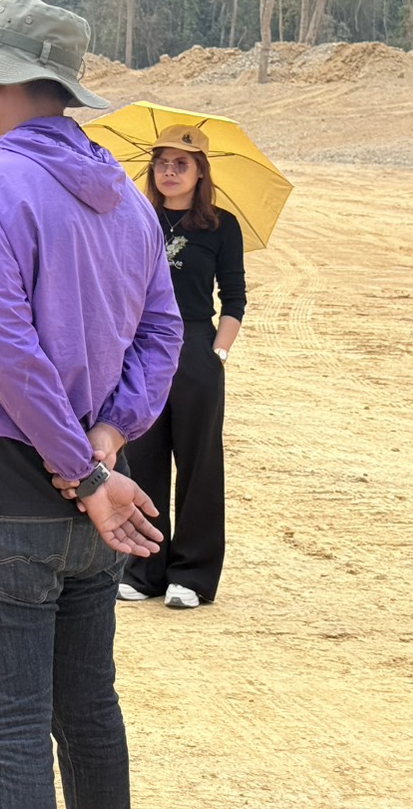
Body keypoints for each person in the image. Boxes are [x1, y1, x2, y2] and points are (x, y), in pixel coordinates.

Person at [0, 0, 183, 809]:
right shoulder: (126, 198)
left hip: (5, 482)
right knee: (88, 712)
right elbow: (163, 330)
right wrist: (106, 437)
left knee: (8, 731)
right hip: (95, 488)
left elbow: (5, 349)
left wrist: (82, 469)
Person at [117, 125, 246, 609]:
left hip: (194, 348)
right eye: (162, 163)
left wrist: (217, 353)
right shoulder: (135, 217)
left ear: (200, 172)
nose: (169, 172)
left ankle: (192, 575)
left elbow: (234, 298)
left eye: (181, 164)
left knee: (199, 463)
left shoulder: (220, 226)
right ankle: (143, 569)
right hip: (141, 346)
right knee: (142, 457)